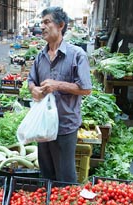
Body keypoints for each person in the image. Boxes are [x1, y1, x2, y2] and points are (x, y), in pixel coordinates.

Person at [28, 6, 92, 182]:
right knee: (46, 173)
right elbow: (31, 81)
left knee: (64, 177)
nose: (42, 26)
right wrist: (34, 89)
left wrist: (57, 85)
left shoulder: (77, 55)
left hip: (65, 126)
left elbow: (86, 89)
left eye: (47, 22)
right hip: (43, 125)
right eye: (41, 22)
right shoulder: (40, 56)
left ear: (61, 25)